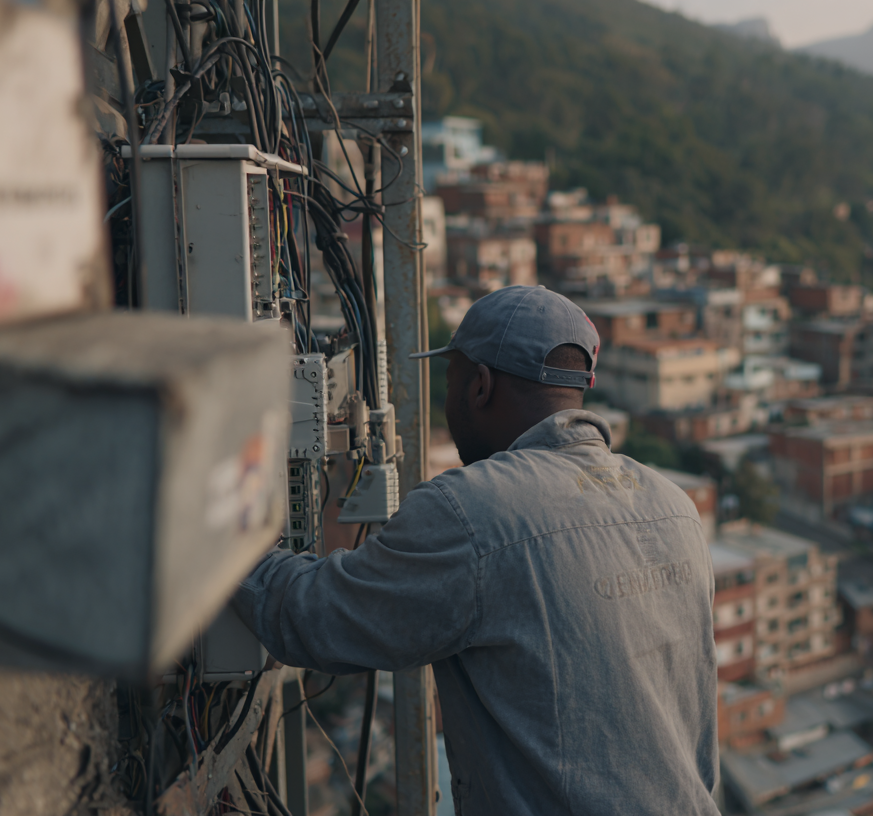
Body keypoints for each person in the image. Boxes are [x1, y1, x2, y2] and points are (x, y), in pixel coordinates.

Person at [233, 285, 720, 815]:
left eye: (452, 379)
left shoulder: (474, 511)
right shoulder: (675, 507)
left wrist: (217, 535)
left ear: (480, 386)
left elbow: (313, 619)